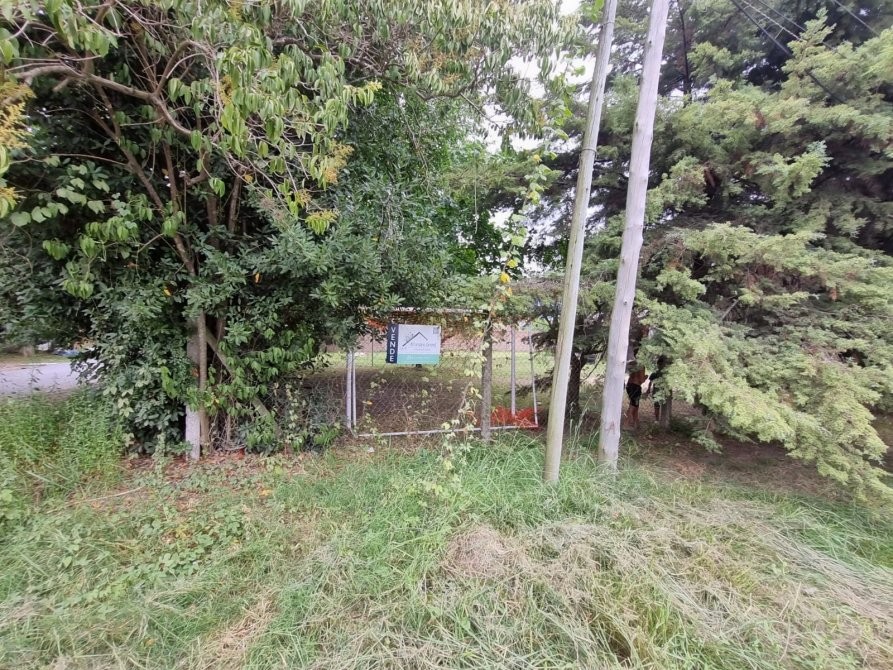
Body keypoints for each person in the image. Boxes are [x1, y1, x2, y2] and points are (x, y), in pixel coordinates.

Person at [625, 361, 647, 429]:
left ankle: (636, 423)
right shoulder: (641, 366)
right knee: (633, 406)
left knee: (635, 405)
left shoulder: (633, 364)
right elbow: (641, 380)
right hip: (635, 386)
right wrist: (645, 377)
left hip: (629, 385)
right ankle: (626, 424)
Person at [648, 356, 668, 423]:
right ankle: (658, 419)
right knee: (658, 406)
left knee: (657, 406)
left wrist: (648, 389)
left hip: (659, 392)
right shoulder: (657, 372)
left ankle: (658, 419)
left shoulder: (661, 372)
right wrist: (648, 389)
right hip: (658, 391)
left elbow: (650, 382)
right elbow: (650, 382)